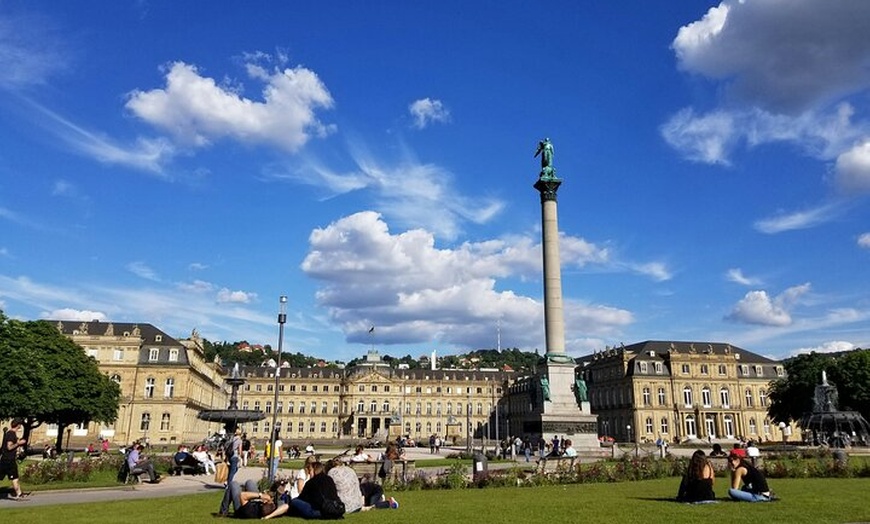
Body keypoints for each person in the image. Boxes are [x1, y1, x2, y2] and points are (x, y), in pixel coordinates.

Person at [1, 418, 28, 500]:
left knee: (15, 477)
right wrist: (18, 443)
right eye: (20, 424)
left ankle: (19, 494)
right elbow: (9, 447)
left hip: (8, 459)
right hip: (8, 460)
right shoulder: (11, 434)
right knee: (14, 478)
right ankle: (19, 494)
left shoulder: (10, 433)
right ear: (18, 425)